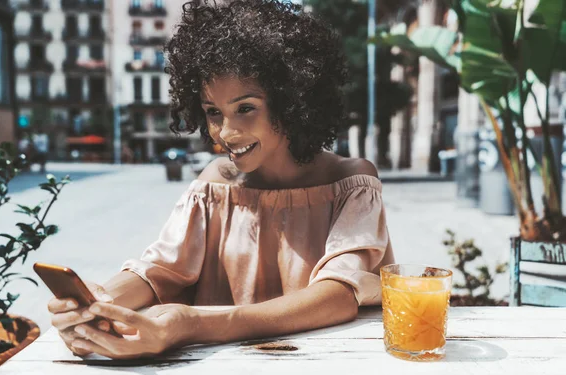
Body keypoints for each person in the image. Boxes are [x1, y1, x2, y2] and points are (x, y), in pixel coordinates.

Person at [47, 0, 395, 360]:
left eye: (245, 108)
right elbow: (159, 271)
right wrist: (99, 303)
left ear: (294, 102)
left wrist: (193, 325)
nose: (226, 133)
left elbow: (338, 295)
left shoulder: (351, 182)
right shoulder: (216, 185)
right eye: (214, 112)